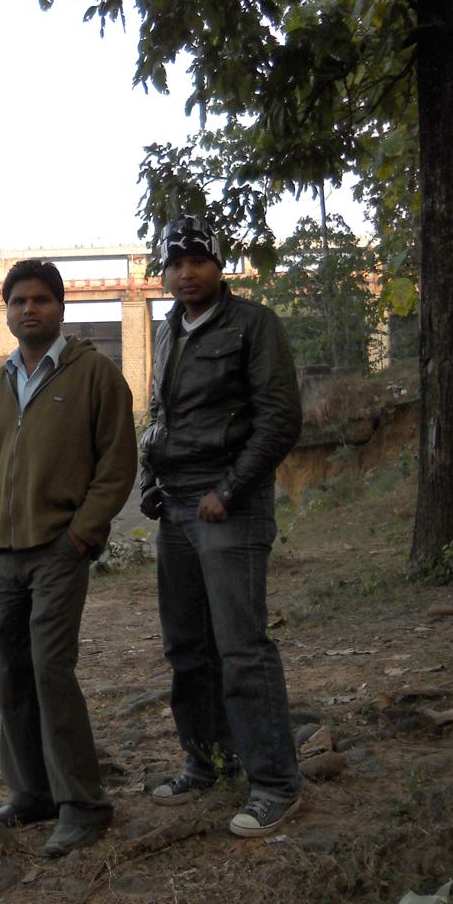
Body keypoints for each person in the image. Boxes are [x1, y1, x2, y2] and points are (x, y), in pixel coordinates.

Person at [0, 259, 137, 856]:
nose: (28, 310)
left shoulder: (94, 375)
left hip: (59, 549)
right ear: (6, 312)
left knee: (51, 670)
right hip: (3, 556)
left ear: (61, 308)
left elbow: (117, 464)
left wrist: (84, 535)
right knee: (10, 673)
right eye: (18, 302)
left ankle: (83, 804)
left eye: (40, 300)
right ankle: (30, 793)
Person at [139, 215, 304, 837]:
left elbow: (280, 419)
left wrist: (229, 490)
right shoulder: (167, 330)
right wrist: (150, 479)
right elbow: (160, 414)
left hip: (227, 509)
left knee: (241, 648)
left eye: (197, 261)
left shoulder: (253, 325)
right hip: (176, 506)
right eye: (174, 263)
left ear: (218, 265)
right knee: (187, 647)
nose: (185, 273)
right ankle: (206, 761)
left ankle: (276, 784)